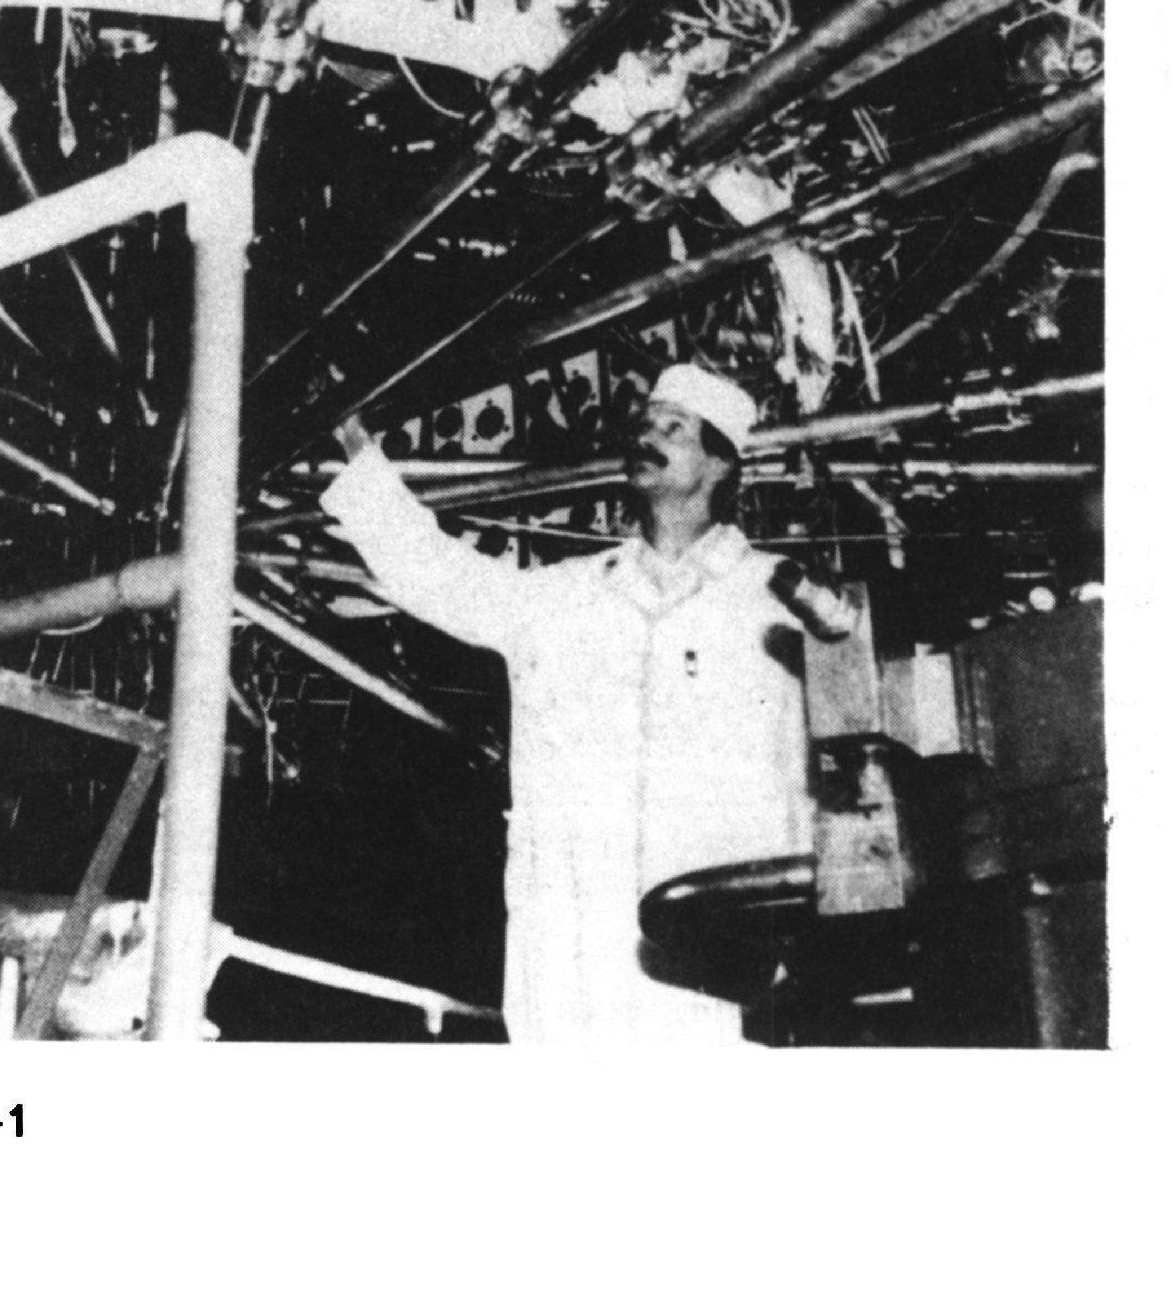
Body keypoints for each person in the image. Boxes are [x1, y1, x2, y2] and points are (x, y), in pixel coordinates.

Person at [320, 363, 814, 1044]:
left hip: (720, 977)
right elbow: (437, 574)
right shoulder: (566, 597)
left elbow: (820, 792)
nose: (647, 436)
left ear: (722, 463)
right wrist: (350, 438)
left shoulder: (778, 602)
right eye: (644, 424)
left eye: (674, 428)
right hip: (571, 972)